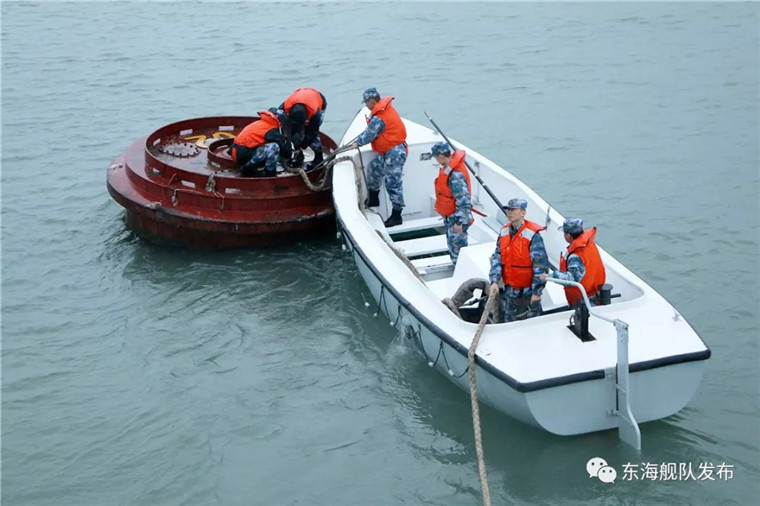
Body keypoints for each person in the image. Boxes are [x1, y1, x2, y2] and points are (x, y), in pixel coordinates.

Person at [348, 87, 408, 227]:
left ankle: (397, 215)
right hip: (387, 152)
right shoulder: (385, 109)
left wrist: (357, 143)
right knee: (374, 169)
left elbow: (369, 135)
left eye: (366, 102)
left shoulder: (379, 117)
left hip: (395, 153)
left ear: (372, 101)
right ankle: (374, 199)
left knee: (393, 184)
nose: (366, 105)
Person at [488, 198, 550, 322]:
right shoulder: (504, 231)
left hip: (528, 293)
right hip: (510, 291)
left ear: (523, 212)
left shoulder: (533, 235)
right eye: (508, 210)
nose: (509, 212)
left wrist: (537, 292)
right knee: (509, 323)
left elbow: (540, 266)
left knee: (531, 324)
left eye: (513, 209)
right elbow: (498, 256)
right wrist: (494, 280)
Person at [540, 218, 606, 306]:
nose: (563, 235)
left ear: (569, 235)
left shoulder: (576, 255)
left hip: (584, 301)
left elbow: (572, 278)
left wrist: (550, 276)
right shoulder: (589, 244)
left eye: (564, 233)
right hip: (596, 292)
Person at [431, 141, 473, 265]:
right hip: (452, 217)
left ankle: (462, 270)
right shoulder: (449, 169)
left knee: (458, 251)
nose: (436, 160)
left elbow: (463, 200)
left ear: (440, 156)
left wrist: (459, 222)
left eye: (436, 157)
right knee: (453, 248)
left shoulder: (455, 175)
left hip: (457, 219)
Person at [229, 110, 292, 177]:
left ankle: (249, 166)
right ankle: (270, 173)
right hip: (243, 156)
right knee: (274, 147)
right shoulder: (271, 130)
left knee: (266, 146)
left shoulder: (261, 124)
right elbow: (285, 152)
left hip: (236, 152)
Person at [278, 88, 327, 170]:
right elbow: (277, 121)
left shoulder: (315, 114)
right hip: (299, 98)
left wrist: (302, 147)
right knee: (290, 129)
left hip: (318, 100)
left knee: (311, 134)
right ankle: (298, 154)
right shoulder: (285, 107)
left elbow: (312, 134)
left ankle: (319, 156)